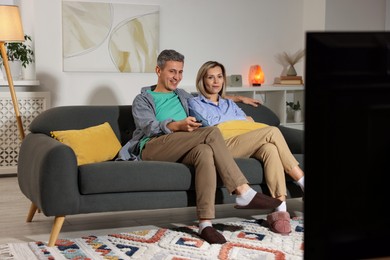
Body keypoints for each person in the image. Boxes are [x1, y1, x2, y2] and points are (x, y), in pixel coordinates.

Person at [117, 50, 282, 244]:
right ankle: (243, 191)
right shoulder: (143, 99)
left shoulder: (183, 95)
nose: (176, 77)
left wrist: (238, 98)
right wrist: (176, 125)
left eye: (180, 72)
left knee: (204, 152)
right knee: (211, 132)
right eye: (172, 71)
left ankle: (205, 224)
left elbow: (209, 95)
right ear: (158, 70)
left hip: (183, 143)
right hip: (153, 146)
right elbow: (149, 127)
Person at [188, 61, 305, 235]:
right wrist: (239, 122)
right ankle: (302, 179)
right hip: (221, 144)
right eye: (210, 77)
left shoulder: (230, 104)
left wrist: (237, 105)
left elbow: (247, 123)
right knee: (271, 132)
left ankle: (280, 210)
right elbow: (212, 125)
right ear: (202, 80)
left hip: (243, 141)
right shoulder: (194, 102)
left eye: (219, 77)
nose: (215, 81)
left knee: (270, 150)